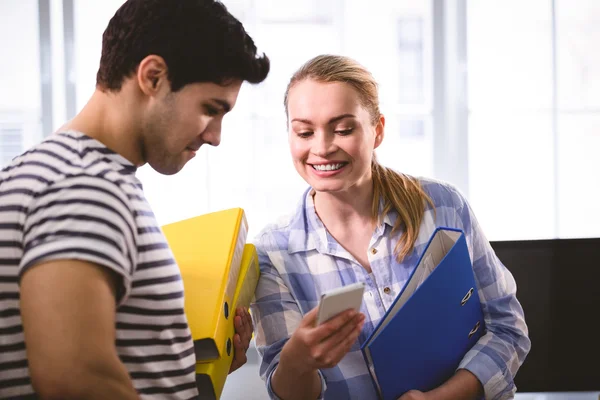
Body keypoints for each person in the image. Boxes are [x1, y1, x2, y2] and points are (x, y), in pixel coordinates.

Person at [0, 0, 269, 398]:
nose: (214, 136)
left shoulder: (51, 171)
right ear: (153, 76)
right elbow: (74, 380)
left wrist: (182, 368)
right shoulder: (84, 186)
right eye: (210, 109)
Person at [250, 54, 530, 400]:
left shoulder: (442, 206)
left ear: (377, 130)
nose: (321, 148)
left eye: (343, 129)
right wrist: (297, 361)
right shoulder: (271, 253)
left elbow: (507, 329)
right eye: (304, 132)